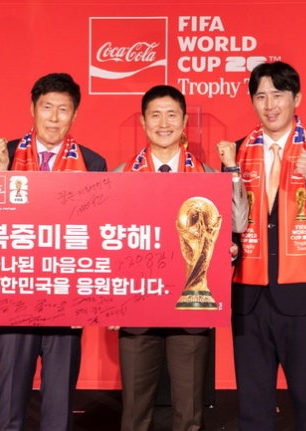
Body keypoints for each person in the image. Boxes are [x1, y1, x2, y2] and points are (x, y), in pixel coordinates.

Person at [224, 61, 306, 430]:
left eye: (278, 95)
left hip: (305, 303)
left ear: (296, 98)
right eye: (261, 96)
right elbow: (227, 226)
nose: (270, 105)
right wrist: (228, 247)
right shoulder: (236, 153)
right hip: (249, 303)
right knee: (253, 414)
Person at [113, 84, 248, 431]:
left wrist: (232, 171)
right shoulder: (119, 176)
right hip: (137, 308)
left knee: (189, 415)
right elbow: (107, 243)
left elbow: (238, 223)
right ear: (143, 122)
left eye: (172, 115)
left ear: (184, 121)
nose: (164, 123)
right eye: (155, 115)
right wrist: (111, 301)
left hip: (192, 307)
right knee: (134, 414)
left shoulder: (208, 176)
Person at [0, 72, 107, 431]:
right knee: (10, 398)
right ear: (32, 109)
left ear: (75, 114)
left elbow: (98, 235)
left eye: (63, 109)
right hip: (16, 296)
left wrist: (90, 298)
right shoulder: (4, 154)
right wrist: (0, 171)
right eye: (47, 107)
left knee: (59, 404)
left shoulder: (93, 163)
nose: (54, 118)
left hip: (66, 298)